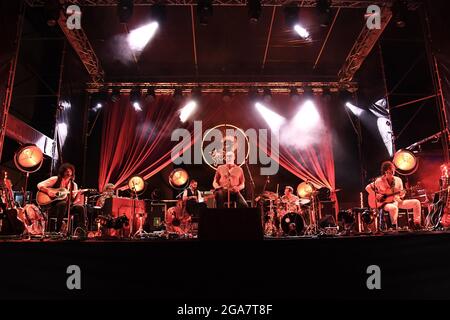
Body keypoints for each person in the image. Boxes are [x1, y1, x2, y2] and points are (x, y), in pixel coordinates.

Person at [366, 161, 421, 230]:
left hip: (397, 201)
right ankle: (394, 227)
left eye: (392, 171)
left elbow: (401, 195)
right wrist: (376, 195)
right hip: (384, 203)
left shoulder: (398, 180)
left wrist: (402, 194)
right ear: (385, 172)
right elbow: (367, 188)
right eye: (389, 172)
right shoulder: (379, 181)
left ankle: (417, 223)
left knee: (416, 202)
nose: (391, 174)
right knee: (393, 208)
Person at [37, 163, 86, 233]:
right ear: (63, 171)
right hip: (54, 207)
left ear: (72, 173)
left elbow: (73, 201)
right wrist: (48, 191)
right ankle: (57, 231)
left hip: (67, 209)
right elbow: (39, 185)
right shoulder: (55, 179)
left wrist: (78, 194)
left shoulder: (74, 185)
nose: (68, 172)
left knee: (80, 208)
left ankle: (81, 230)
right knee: (63, 204)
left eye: (70, 171)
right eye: (66, 171)